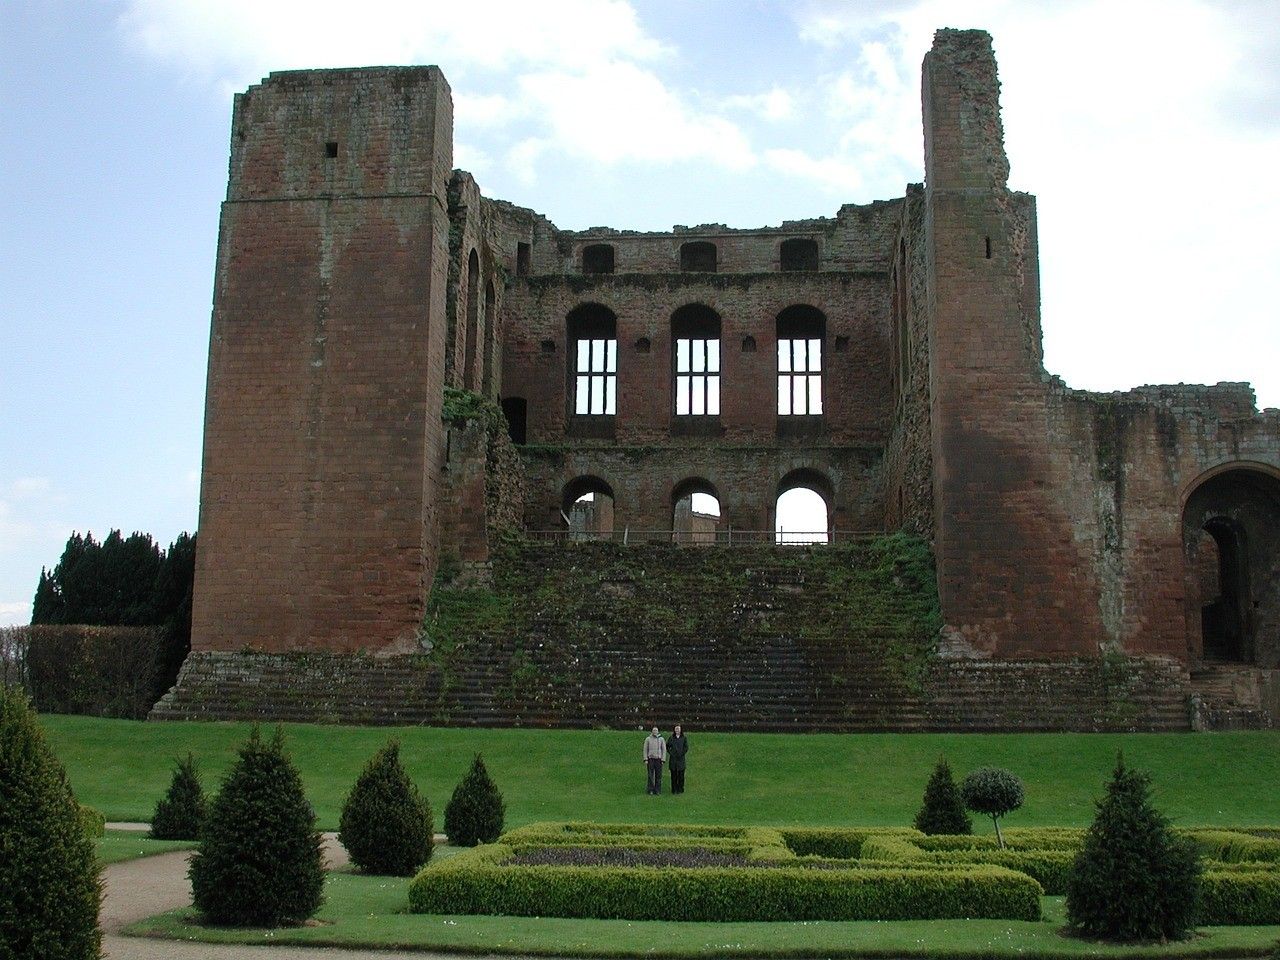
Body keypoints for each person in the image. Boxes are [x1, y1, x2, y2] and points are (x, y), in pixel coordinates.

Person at [643, 726, 666, 795]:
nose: (655, 732)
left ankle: (657, 790)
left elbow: (664, 750)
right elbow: (645, 749)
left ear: (658, 731)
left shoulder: (661, 739)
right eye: (654, 730)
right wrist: (645, 759)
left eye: (656, 730)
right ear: (652, 731)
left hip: (658, 759)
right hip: (650, 759)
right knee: (650, 775)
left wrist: (663, 759)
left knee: (658, 776)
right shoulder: (648, 739)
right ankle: (650, 789)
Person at [667, 724, 688, 794]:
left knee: (681, 776)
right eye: (676, 729)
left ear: (681, 730)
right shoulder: (671, 738)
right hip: (673, 760)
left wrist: (681, 754)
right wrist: (671, 753)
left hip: (681, 760)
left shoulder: (684, 738)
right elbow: (667, 746)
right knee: (674, 776)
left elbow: (686, 747)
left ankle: (680, 789)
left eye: (678, 729)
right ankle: (674, 789)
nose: (677, 730)